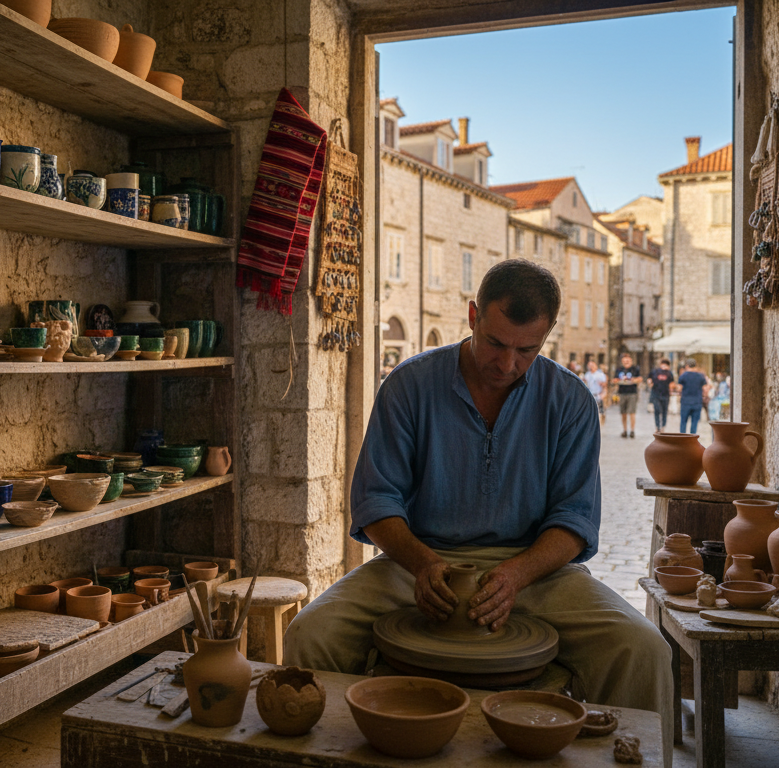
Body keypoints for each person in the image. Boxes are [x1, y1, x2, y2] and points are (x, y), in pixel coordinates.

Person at [282, 259, 673, 751]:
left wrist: (516, 574)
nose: (507, 364)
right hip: (416, 565)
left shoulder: (570, 400)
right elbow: (375, 500)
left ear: (547, 334)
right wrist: (423, 564)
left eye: (527, 350)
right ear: (473, 316)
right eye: (496, 343)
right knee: (311, 633)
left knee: (643, 650)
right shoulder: (409, 385)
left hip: (536, 573)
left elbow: (575, 520)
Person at [611, 353, 641, 438]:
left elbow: (640, 379)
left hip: (632, 392)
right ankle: (624, 430)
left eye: (627, 360)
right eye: (624, 361)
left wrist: (633, 380)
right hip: (622, 392)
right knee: (623, 413)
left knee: (632, 412)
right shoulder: (619, 369)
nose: (626, 362)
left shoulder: (635, 369)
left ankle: (632, 430)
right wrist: (618, 381)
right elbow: (614, 380)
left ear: (631, 360)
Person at [677, 359, 709, 434]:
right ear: (695, 366)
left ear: (687, 366)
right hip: (697, 402)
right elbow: (705, 389)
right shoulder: (701, 376)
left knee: (683, 422)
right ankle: (692, 439)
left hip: (685, 402)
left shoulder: (683, 376)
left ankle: (682, 438)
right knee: (694, 423)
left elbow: (679, 388)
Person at [647, 359, 675, 432]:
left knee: (662, 411)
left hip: (664, 394)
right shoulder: (656, 371)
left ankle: (661, 427)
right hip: (657, 394)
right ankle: (659, 427)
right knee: (659, 410)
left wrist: (671, 389)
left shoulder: (668, 373)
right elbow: (649, 379)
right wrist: (650, 383)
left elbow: (671, 383)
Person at [582, 360, 607, 426]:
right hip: (590, 395)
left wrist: (603, 394)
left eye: (592, 365)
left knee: (599, 412)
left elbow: (605, 385)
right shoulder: (587, 374)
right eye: (589, 366)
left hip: (598, 395)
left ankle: (599, 425)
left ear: (595, 366)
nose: (591, 367)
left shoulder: (600, 374)